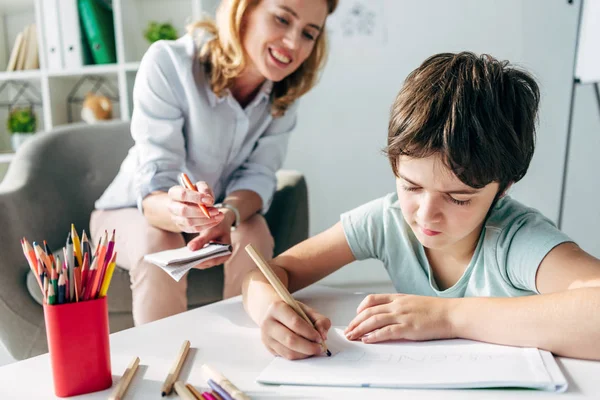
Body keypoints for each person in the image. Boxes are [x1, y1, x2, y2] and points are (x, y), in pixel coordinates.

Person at [242, 52, 600, 361]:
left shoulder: (515, 240)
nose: (425, 214)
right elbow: (267, 273)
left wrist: (448, 317)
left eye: (458, 197)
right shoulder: (388, 219)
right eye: (411, 186)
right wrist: (269, 309)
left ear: (503, 187)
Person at [90, 0, 338, 325]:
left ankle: (246, 355)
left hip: (213, 213)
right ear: (243, 9)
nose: (293, 43)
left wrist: (229, 214)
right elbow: (152, 194)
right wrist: (183, 214)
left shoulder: (283, 95)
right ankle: (168, 369)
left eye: (308, 33)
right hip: (129, 211)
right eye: (281, 19)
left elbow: (259, 176)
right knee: (159, 241)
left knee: (254, 234)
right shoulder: (170, 63)